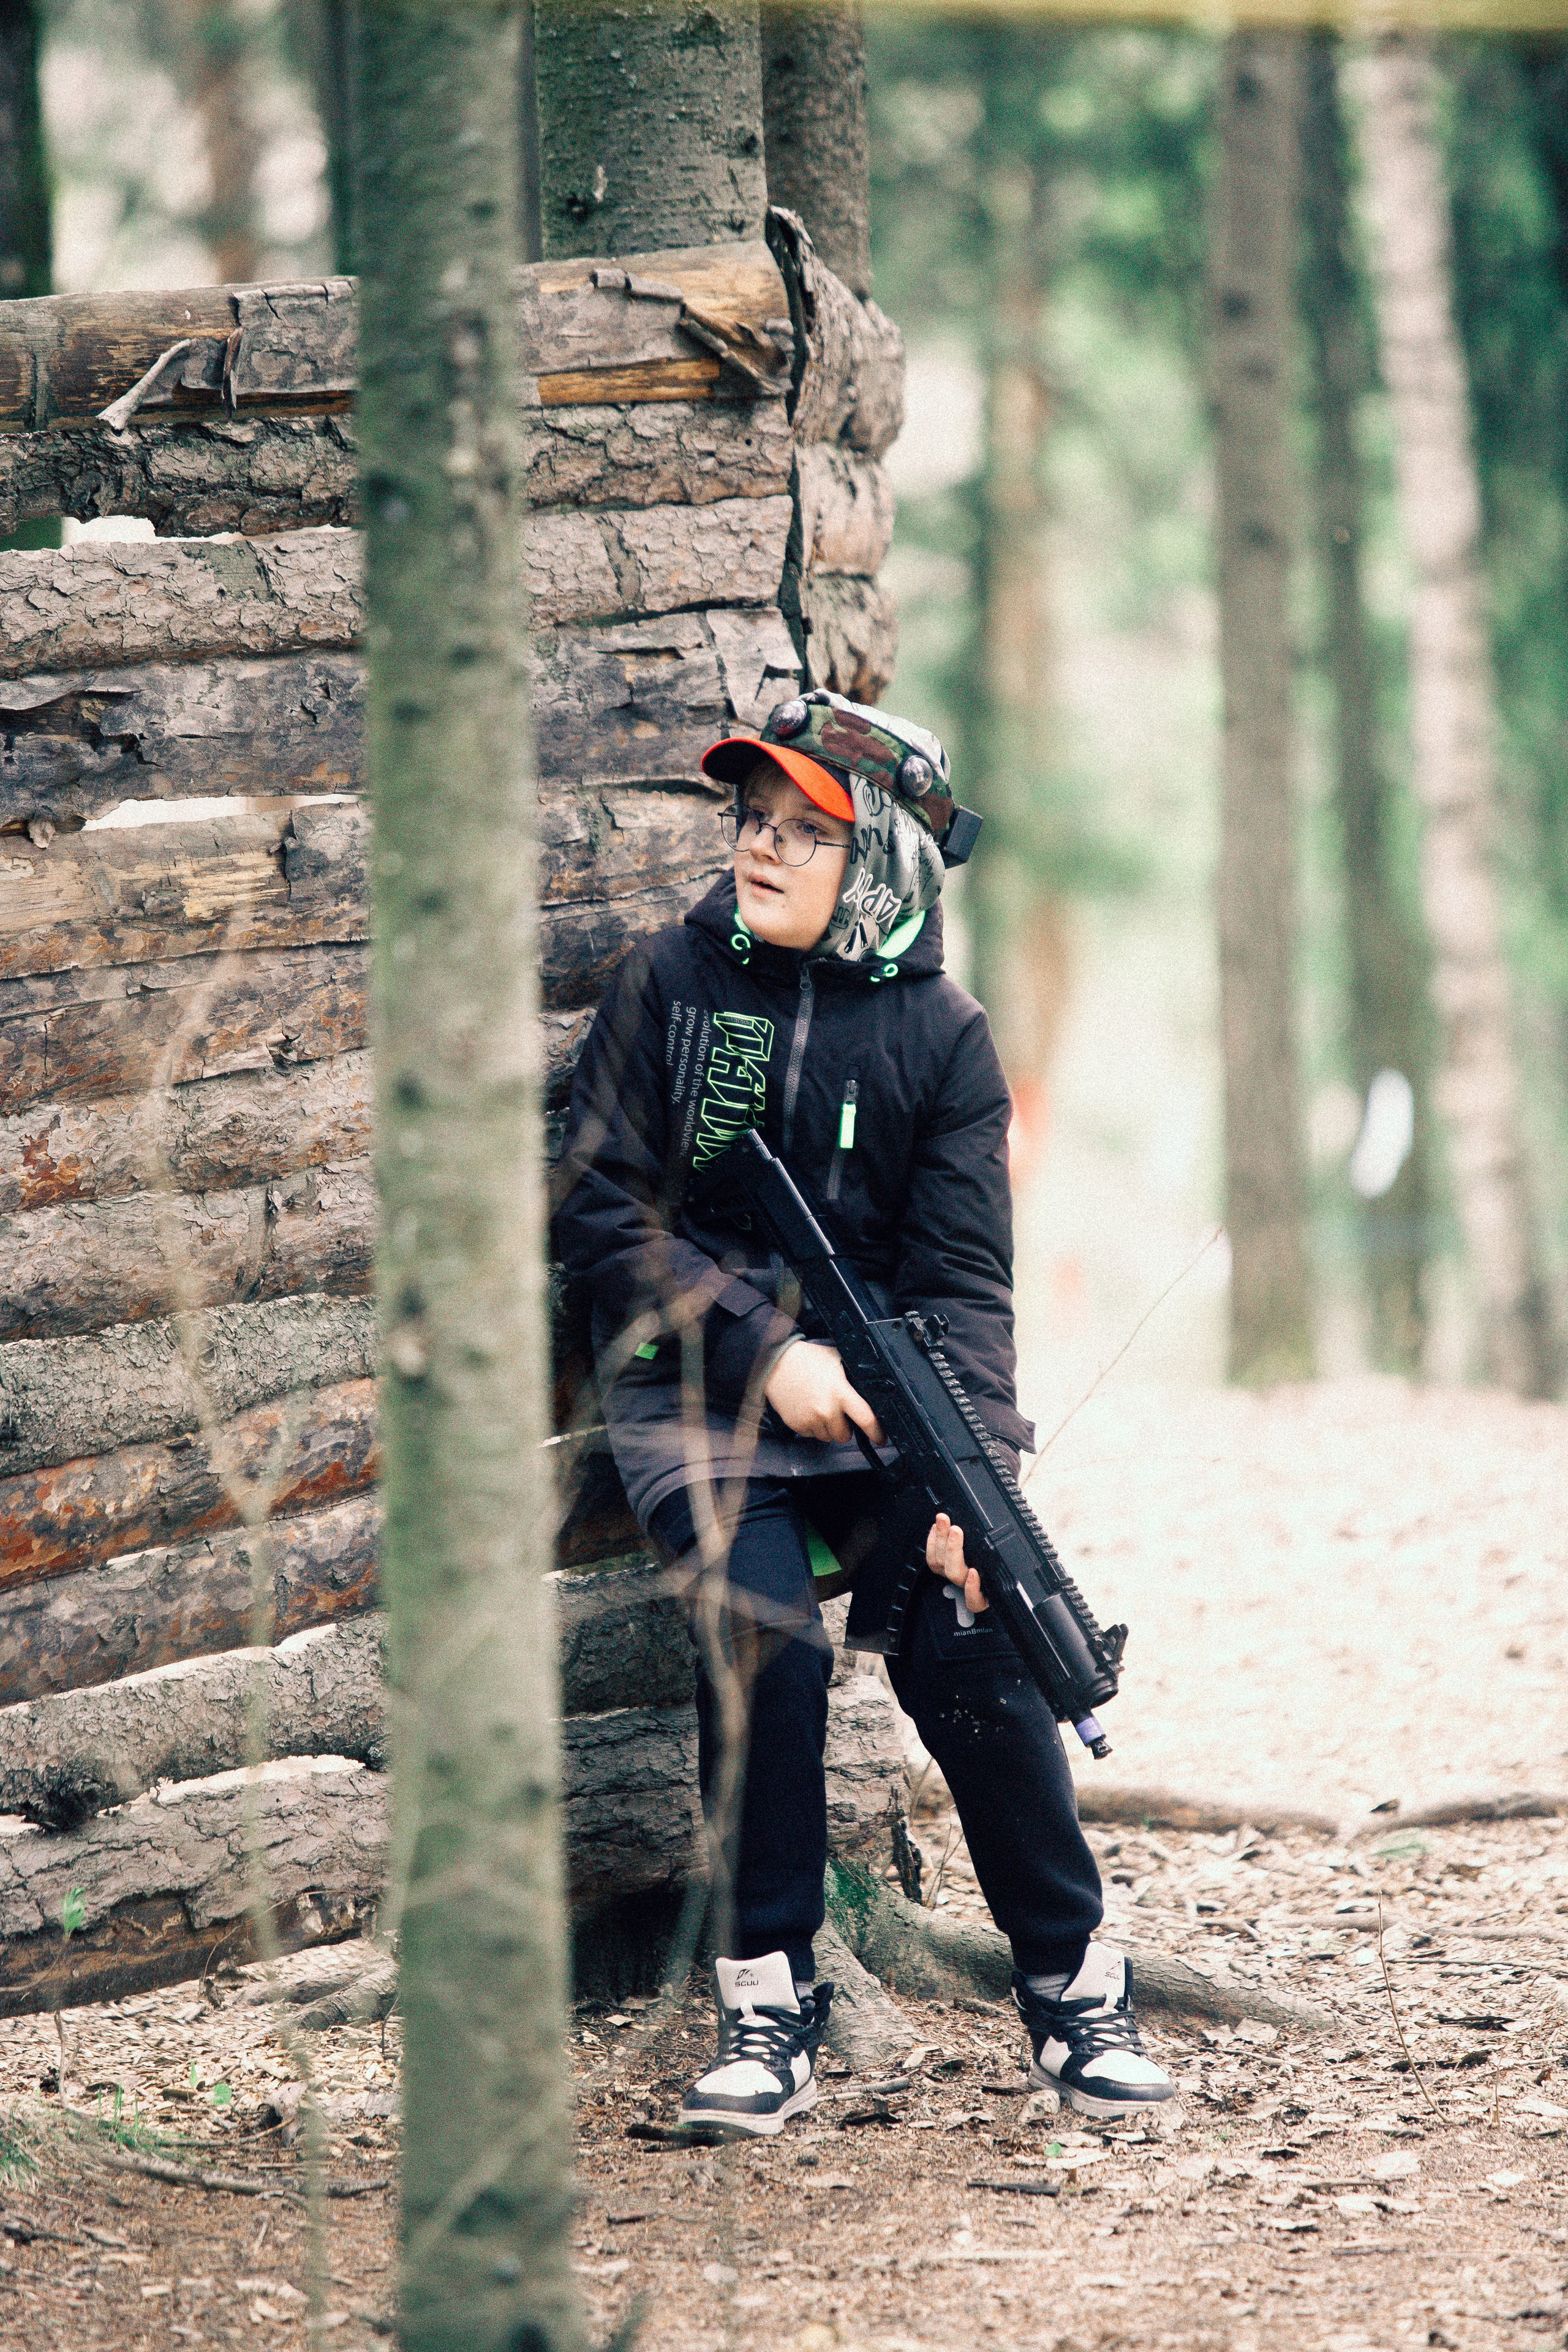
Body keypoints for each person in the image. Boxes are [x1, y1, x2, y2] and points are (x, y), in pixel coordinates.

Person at [556, 689, 1172, 2135]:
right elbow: (595, 1210)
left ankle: (1071, 1986)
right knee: (762, 1642)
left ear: (879, 858)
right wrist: (759, 1349)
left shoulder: (945, 1039)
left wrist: (974, 1488)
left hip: (888, 1403)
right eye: (751, 820)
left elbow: (963, 1286)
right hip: (693, 1395)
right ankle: (765, 1999)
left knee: (974, 1635)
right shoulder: (668, 983)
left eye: (802, 832)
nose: (758, 849)